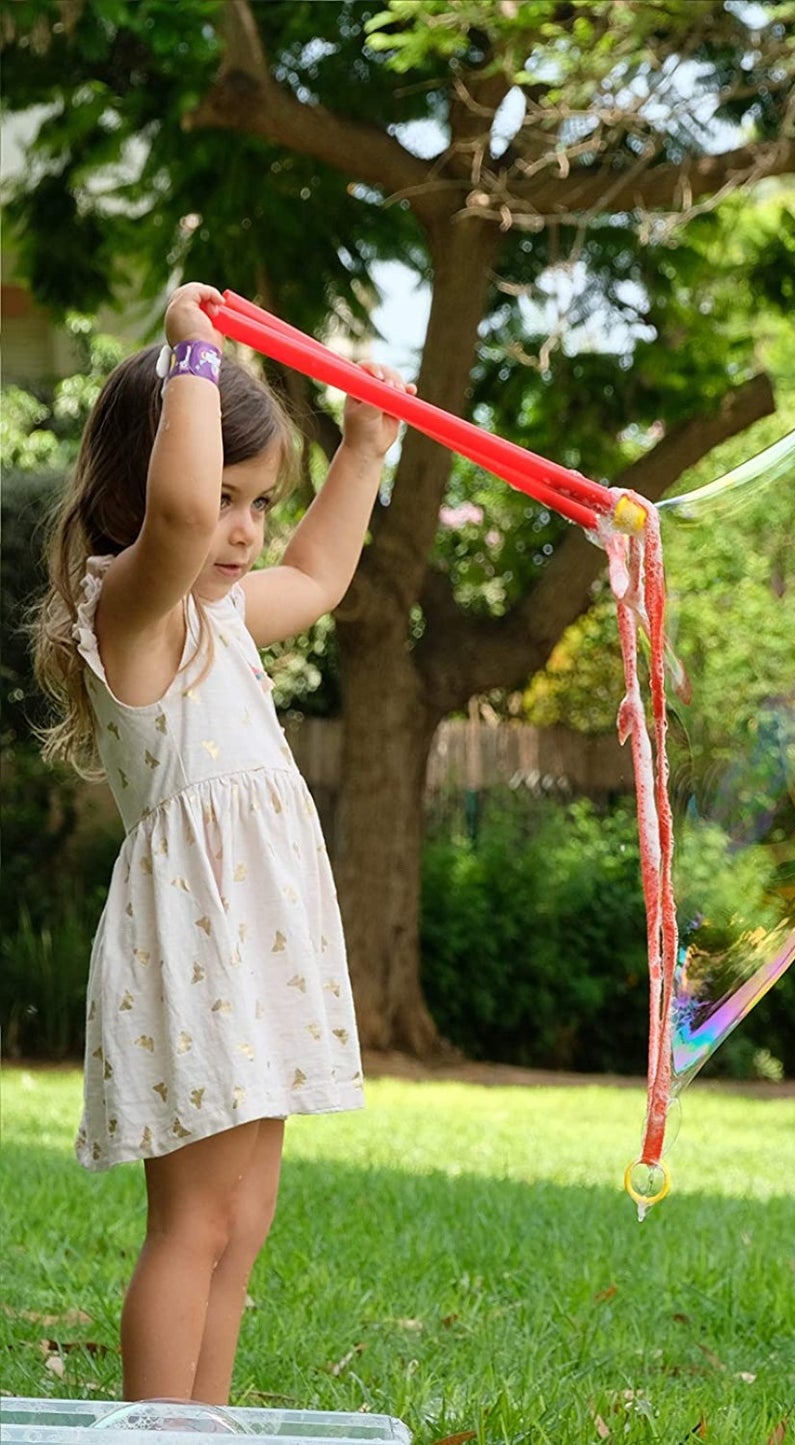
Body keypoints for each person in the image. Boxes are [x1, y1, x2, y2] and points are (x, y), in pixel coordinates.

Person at [31, 281, 414, 1404]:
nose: (242, 527)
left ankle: (202, 1426)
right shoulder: (133, 611)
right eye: (230, 496)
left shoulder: (220, 616)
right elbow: (184, 521)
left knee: (243, 1223)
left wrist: (364, 449)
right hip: (195, 951)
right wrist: (191, 359)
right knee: (193, 1222)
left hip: (257, 948)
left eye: (260, 502)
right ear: (133, 489)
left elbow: (322, 574)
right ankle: (160, 1431)